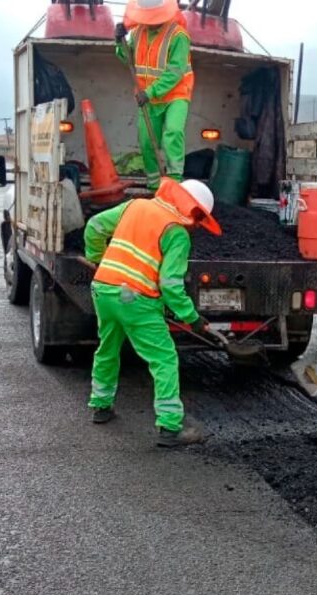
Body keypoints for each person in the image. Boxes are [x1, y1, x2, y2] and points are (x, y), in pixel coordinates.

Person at [83, 177, 221, 447]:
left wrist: (98, 258)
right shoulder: (177, 233)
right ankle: (170, 427)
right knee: (164, 359)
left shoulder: (135, 206)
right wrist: (191, 317)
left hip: (103, 290)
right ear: (190, 209)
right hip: (136, 300)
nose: (196, 225)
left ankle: (101, 406)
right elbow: (170, 285)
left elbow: (94, 226)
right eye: (198, 217)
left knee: (108, 348)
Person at [115, 0, 195, 190]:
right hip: (148, 98)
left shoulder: (179, 36)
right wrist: (119, 41)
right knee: (146, 141)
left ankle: (174, 183)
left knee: (173, 133)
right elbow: (126, 58)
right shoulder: (137, 33)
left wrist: (150, 92)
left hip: (176, 94)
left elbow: (175, 72)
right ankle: (153, 188)